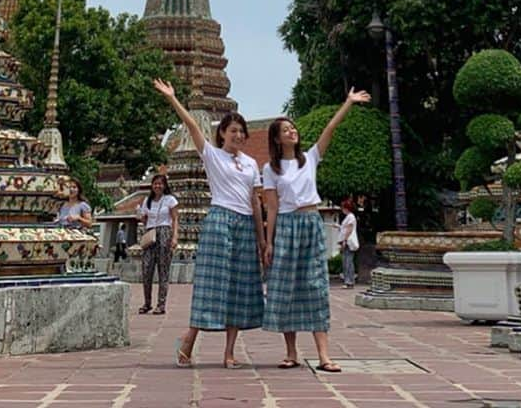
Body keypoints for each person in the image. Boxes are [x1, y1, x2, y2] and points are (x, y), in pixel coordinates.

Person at [153, 78, 265, 369]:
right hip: (219, 221)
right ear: (222, 134)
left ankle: (229, 352)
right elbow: (192, 126)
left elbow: (255, 201)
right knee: (211, 285)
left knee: (240, 288)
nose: (238, 135)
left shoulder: (252, 163)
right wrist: (173, 99)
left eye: (241, 131)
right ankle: (188, 340)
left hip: (245, 224)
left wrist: (262, 238)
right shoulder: (212, 156)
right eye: (233, 131)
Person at [262, 88, 371, 372]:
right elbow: (271, 208)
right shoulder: (270, 169)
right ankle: (290, 352)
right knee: (286, 289)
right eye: (286, 130)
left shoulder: (309, 158)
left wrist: (348, 102)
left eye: (293, 128)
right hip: (286, 226)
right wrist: (269, 242)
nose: (292, 132)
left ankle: (324, 355)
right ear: (276, 137)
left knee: (316, 287)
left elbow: (330, 128)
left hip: (311, 224)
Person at [137, 172, 179, 315]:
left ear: (165, 185)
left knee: (163, 270)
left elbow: (175, 219)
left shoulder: (170, 200)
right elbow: (144, 219)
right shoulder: (147, 201)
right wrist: (142, 217)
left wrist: (174, 237)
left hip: (164, 233)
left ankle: (161, 304)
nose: (157, 186)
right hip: (150, 234)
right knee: (146, 269)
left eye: (160, 183)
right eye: (155, 183)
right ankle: (147, 303)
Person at [336, 199, 359, 289]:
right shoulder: (349, 217)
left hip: (348, 242)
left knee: (348, 261)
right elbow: (345, 228)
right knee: (346, 261)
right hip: (347, 241)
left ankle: (349, 281)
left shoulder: (350, 217)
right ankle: (348, 280)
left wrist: (344, 240)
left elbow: (349, 229)